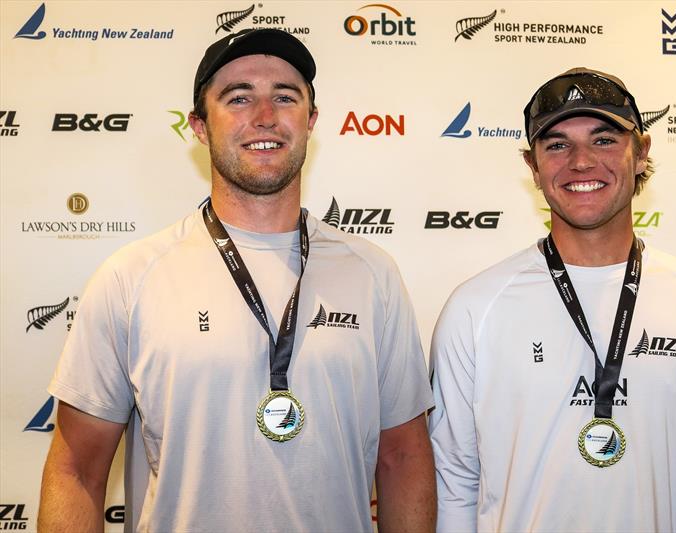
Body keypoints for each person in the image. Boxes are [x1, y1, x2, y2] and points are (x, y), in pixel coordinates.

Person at [39, 28, 435, 533]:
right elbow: (76, 469)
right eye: (239, 97)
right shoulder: (131, 277)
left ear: (311, 121)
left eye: (285, 97)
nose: (265, 117)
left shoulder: (372, 272)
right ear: (200, 127)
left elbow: (403, 458)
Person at [428, 68, 676, 532]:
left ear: (641, 154)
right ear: (533, 166)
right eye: (556, 144)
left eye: (604, 139)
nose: (581, 161)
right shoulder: (476, 307)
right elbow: (455, 485)